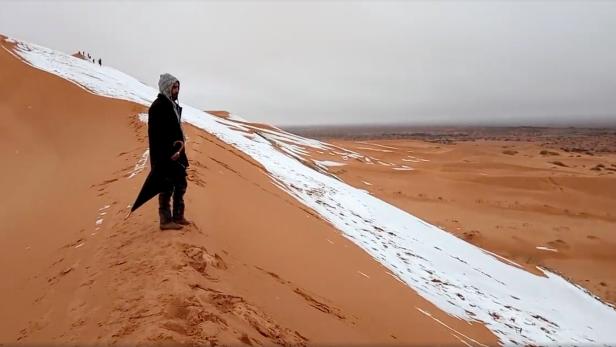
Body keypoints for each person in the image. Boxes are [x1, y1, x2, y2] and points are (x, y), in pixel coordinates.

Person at [147, 73, 190, 230]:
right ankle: (165, 220)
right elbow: (156, 135)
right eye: (174, 87)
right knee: (166, 186)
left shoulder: (171, 105)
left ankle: (178, 216)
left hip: (177, 153)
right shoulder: (158, 106)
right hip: (165, 155)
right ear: (167, 87)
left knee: (181, 183)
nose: (177, 90)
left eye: (178, 87)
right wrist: (166, 154)